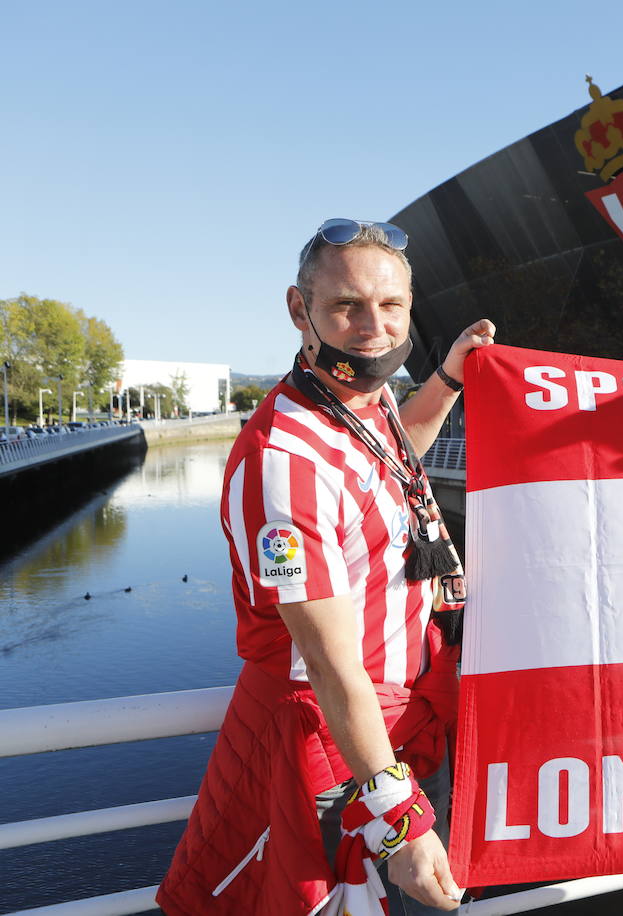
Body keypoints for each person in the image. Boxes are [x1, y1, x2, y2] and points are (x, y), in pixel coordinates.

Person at [158, 218, 496, 915]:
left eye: (391, 305)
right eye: (347, 305)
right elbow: (327, 662)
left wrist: (451, 375)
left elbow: (400, 450)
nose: (373, 325)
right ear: (299, 309)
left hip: (403, 734)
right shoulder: (286, 458)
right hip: (345, 763)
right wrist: (400, 818)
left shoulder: (363, 409)